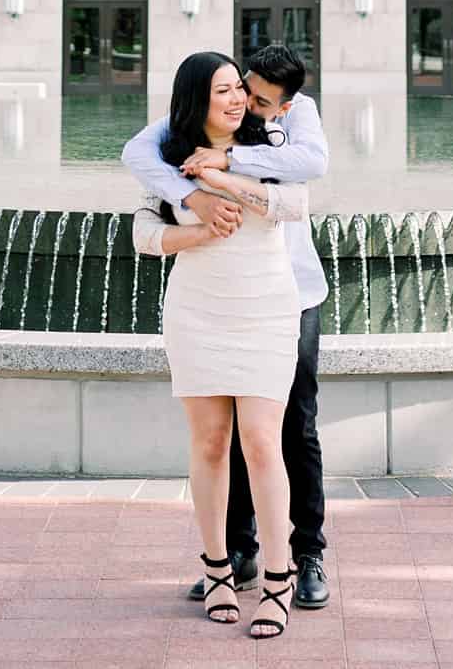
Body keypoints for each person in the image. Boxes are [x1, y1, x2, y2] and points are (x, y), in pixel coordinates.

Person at [123, 43, 330, 612]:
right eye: (230, 90)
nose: (243, 100)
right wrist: (196, 208)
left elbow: (301, 190)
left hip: (283, 297)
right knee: (215, 441)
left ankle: (300, 558)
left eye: (247, 91)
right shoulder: (169, 155)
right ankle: (231, 558)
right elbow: (142, 207)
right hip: (200, 308)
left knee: (286, 433)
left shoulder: (282, 130)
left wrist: (230, 171)